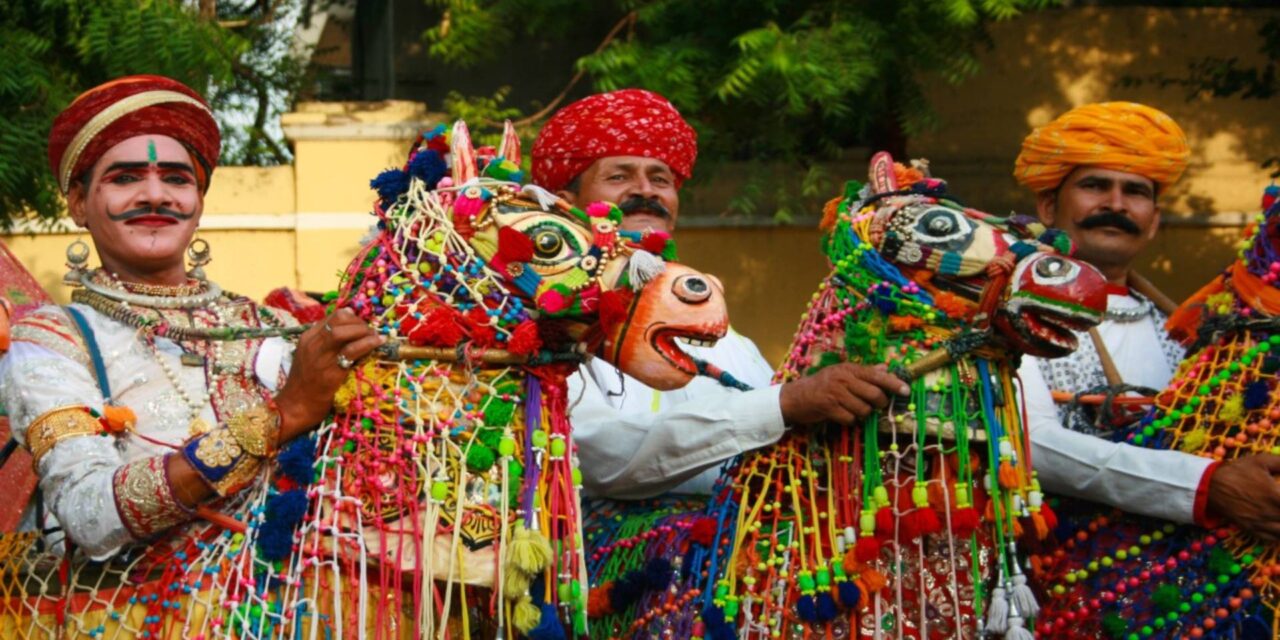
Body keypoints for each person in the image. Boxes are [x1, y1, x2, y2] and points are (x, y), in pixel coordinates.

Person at [0, 75, 381, 561]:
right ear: (78, 203)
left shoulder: (274, 326)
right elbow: (88, 513)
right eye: (125, 178)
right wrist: (285, 414)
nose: (155, 195)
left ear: (199, 205)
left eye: (177, 179)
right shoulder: (52, 338)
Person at [532, 89, 908, 498]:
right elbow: (601, 458)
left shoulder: (727, 338)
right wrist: (784, 404)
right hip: (607, 557)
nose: (648, 190)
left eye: (661, 179)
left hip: (733, 553)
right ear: (567, 205)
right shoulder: (553, 326)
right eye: (619, 176)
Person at [1014, 101, 1280, 536]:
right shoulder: (1010, 312)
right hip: (1048, 571)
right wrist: (1205, 486)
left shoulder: (1189, 334)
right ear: (1047, 206)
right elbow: (1034, 445)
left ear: (1154, 221)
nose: (1115, 203)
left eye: (1135, 192)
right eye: (1095, 185)